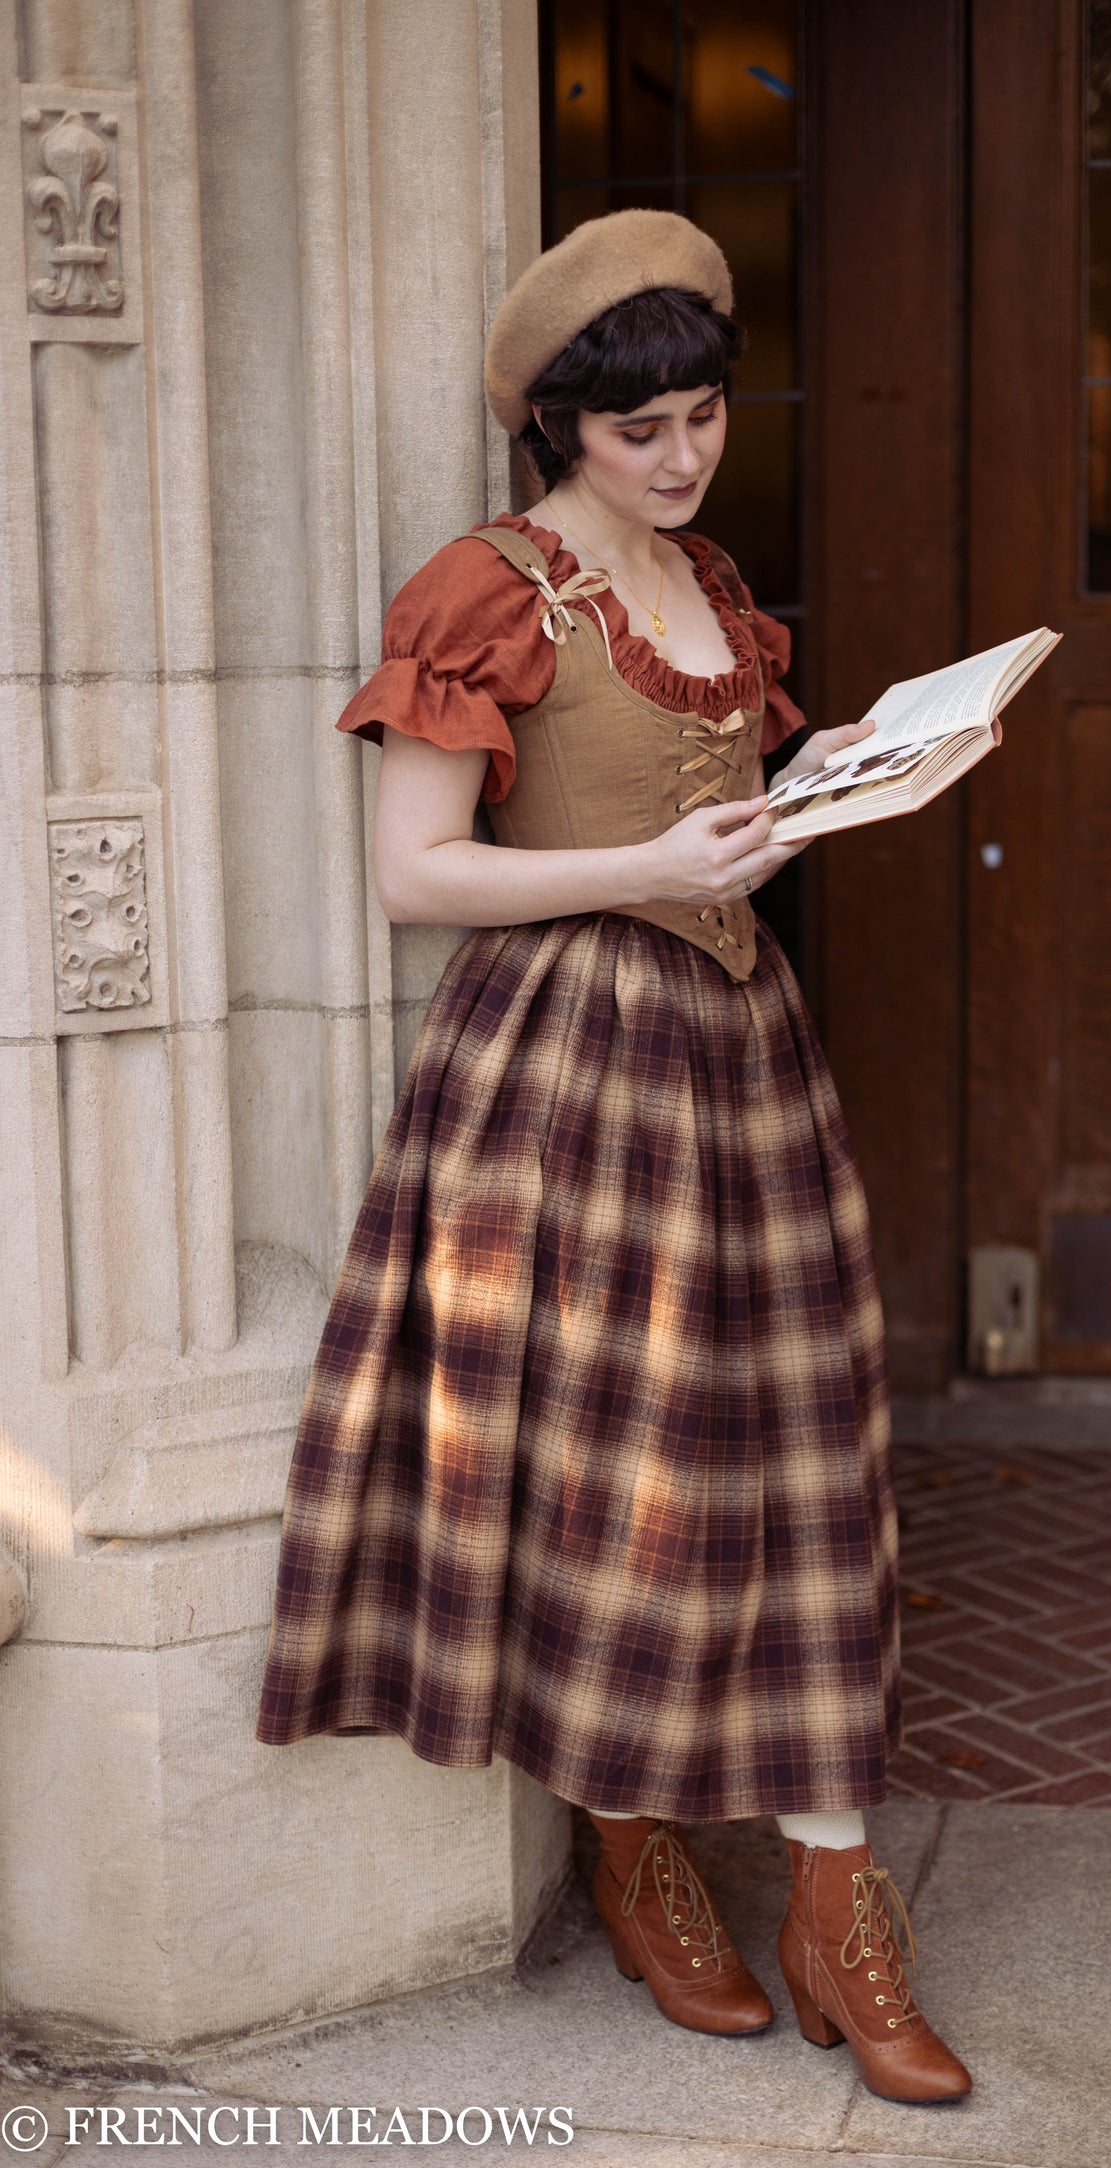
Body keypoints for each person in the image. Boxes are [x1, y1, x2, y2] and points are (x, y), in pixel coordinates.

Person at [253, 209, 971, 2106]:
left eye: (703, 419)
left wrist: (814, 803)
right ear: (560, 427)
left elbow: (712, 811)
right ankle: (632, 1842)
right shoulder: (488, 592)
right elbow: (415, 877)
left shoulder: (714, 584)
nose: (678, 457)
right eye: (637, 428)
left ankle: (834, 1899)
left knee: (809, 1461)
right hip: (566, 1077)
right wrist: (650, 868)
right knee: (620, 1477)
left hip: (742, 1063)